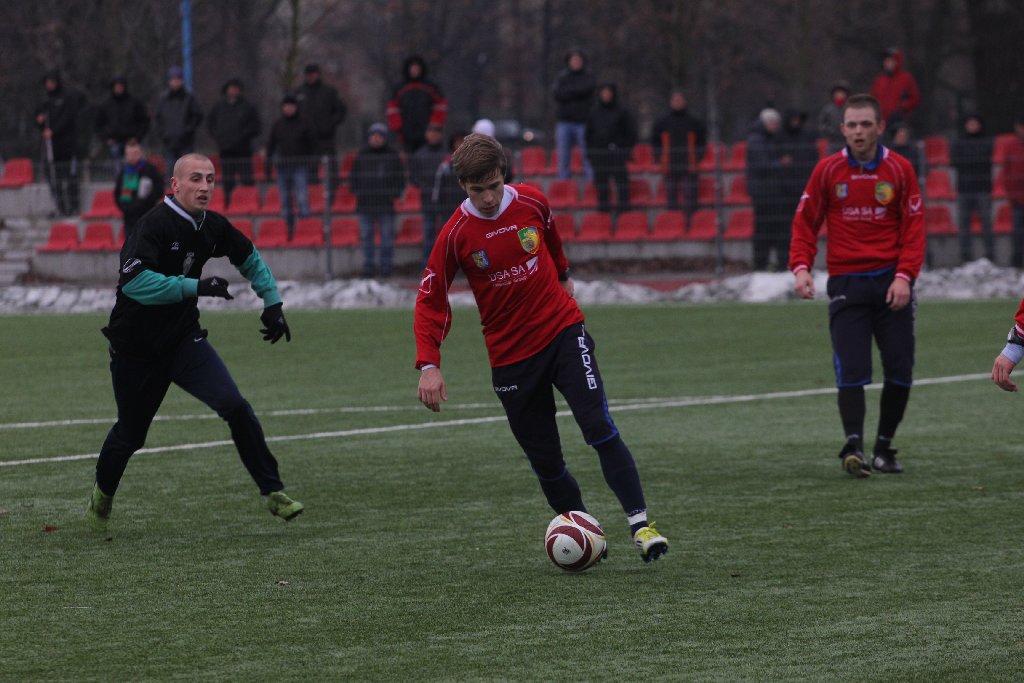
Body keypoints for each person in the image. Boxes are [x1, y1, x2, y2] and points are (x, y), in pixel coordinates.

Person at [413, 133, 669, 563]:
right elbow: (430, 300)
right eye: (479, 190)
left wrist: (564, 275)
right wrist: (428, 364)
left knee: (599, 427)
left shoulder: (532, 201)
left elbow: (551, 239)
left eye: (494, 185)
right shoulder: (455, 234)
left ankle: (642, 526)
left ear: (504, 175)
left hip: (563, 332)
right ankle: (588, 534)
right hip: (511, 360)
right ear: (463, 187)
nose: (490, 198)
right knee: (547, 462)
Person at [85, 153, 302, 532]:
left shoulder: (211, 225)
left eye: (211, 180)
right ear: (175, 185)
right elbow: (134, 284)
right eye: (196, 179)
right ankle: (102, 495)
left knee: (234, 405)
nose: (204, 187)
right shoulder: (152, 225)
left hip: (184, 340)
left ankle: (273, 491)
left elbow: (248, 256)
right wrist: (194, 286)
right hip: (135, 349)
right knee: (131, 434)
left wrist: (272, 302)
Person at [790, 93, 925, 477]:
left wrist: (904, 276)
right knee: (851, 368)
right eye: (852, 124)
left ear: (880, 127)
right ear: (842, 129)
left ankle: (884, 447)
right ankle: (854, 445)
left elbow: (915, 230)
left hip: (891, 284)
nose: (859, 131)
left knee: (900, 368)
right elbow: (805, 222)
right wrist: (801, 266)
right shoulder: (828, 171)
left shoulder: (899, 170)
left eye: (866, 124)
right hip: (848, 282)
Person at [349, 123, 405, 278]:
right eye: (373, 136)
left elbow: (400, 179)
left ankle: (386, 268)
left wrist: (393, 194)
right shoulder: (361, 155)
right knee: (367, 238)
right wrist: (359, 191)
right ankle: (368, 268)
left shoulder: (393, 156)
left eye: (379, 136)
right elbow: (353, 178)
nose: (376, 139)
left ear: (384, 138)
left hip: (386, 205)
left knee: (387, 238)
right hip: (365, 205)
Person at [746, 108, 793, 270]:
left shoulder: (767, 139)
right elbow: (762, 165)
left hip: (770, 192)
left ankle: (768, 263)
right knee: (764, 229)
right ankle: (761, 264)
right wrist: (781, 164)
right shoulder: (757, 140)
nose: (776, 126)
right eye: (773, 123)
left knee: (773, 228)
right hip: (764, 193)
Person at [650, 89, 707, 218]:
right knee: (671, 195)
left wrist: (697, 157)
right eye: (675, 100)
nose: (677, 103)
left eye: (679, 100)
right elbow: (655, 142)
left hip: (689, 165)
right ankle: (673, 221)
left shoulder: (694, 122)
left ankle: (690, 222)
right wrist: (660, 158)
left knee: (690, 195)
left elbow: (702, 142)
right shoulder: (662, 122)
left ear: (685, 102)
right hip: (669, 165)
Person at [296, 64, 347, 202]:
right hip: (307, 142)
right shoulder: (299, 93)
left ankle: (334, 200)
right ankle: (313, 200)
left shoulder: (329, 92)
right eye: (308, 74)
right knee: (310, 172)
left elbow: (341, 111)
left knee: (330, 171)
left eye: (313, 74)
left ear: (318, 74)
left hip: (326, 139)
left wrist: (329, 124)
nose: (311, 77)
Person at [206, 78, 261, 206]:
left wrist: (243, 136)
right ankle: (228, 204)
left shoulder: (248, 106)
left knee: (247, 180)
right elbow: (210, 124)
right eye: (231, 88)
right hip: (226, 151)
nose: (233, 91)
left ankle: (248, 203)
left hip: (244, 151)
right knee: (228, 181)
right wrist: (219, 137)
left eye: (236, 88)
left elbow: (256, 127)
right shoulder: (219, 107)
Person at [266, 94, 315, 237]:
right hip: (283, 167)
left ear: (296, 107)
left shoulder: (305, 123)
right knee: (285, 199)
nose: (288, 109)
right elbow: (271, 145)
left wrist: (311, 165)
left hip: (300, 167)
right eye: (286, 106)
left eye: (291, 106)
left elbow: (313, 145)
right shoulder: (278, 125)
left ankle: (306, 229)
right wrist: (268, 166)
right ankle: (287, 228)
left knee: (301, 198)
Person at [34, 69, 82, 216]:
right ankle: (60, 206)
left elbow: (68, 118)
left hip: (67, 146)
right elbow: (38, 117)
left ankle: (73, 206)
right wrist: (40, 122)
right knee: (54, 178)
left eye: (52, 82)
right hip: (51, 148)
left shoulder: (67, 98)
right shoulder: (45, 100)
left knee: (70, 177)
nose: (49, 85)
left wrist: (54, 130)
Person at [585, 82, 637, 216]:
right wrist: (591, 153)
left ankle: (624, 210)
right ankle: (603, 212)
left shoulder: (622, 112)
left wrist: (623, 149)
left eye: (608, 92)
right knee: (601, 185)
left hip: (617, 155)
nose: (606, 95)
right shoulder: (593, 112)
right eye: (604, 92)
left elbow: (631, 133)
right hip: (600, 155)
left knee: (622, 183)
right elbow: (588, 135)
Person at [951, 114, 995, 263]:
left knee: (987, 223)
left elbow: (985, 160)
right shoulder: (959, 142)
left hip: (983, 188)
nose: (972, 126)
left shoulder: (987, 142)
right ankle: (965, 257)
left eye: (975, 123)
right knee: (964, 225)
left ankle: (990, 255)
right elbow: (955, 161)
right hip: (964, 189)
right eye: (970, 124)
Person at [387, 55, 448, 154]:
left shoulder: (431, 87)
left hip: (428, 131)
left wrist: (434, 125)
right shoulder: (399, 88)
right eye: (412, 68)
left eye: (417, 68)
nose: (414, 71)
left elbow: (440, 107)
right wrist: (398, 128)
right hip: (406, 132)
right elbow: (392, 110)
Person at [552, 48, 595, 180]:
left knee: (587, 155)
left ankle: (590, 182)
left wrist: (568, 92)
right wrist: (576, 92)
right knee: (563, 156)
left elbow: (587, 89)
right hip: (564, 122)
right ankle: (563, 183)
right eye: (573, 60)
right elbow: (557, 93)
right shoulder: (562, 77)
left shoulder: (588, 77)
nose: (576, 62)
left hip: (583, 122)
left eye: (578, 59)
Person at [408, 122, 448, 265]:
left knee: (447, 234)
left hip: (445, 200)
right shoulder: (420, 155)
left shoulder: (447, 154)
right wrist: (424, 186)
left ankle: (447, 263)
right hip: (427, 200)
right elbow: (413, 176)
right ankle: (428, 263)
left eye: (436, 133)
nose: (433, 136)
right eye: (431, 133)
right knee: (428, 233)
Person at [94, 75, 150, 176]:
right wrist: (106, 138)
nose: (118, 88)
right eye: (116, 86)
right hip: (114, 142)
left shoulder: (134, 102)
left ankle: (133, 186)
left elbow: (144, 121)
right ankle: (120, 185)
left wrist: (137, 137)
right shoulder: (106, 104)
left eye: (120, 86)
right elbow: (98, 124)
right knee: (118, 168)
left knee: (134, 166)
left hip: (131, 141)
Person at [155, 66, 204, 178]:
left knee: (187, 173)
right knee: (171, 175)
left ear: (182, 81)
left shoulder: (189, 98)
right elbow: (158, 119)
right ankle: (171, 196)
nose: (175, 82)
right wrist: (164, 134)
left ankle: (187, 196)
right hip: (169, 142)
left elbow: (197, 116)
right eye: (172, 79)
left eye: (177, 79)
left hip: (185, 142)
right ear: (169, 81)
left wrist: (187, 131)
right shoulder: (163, 99)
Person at [113, 140, 164, 237]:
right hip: (129, 217)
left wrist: (145, 201)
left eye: (135, 153)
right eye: (129, 154)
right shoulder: (124, 172)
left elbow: (159, 190)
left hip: (147, 214)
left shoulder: (150, 170)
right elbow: (117, 194)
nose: (132, 157)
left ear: (141, 153)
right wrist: (125, 208)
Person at [870, 47, 921, 127]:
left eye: (891, 61)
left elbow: (915, 98)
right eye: (886, 61)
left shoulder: (906, 79)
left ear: (897, 62)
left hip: (899, 123)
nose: (887, 63)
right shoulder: (879, 80)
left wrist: (902, 107)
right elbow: (872, 99)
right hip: (881, 122)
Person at [1006, 114, 1024, 268]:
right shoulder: (1011, 146)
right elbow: (1007, 172)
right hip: (1018, 199)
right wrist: (1011, 194)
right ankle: (1017, 263)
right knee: (1017, 234)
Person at [817, 81, 850, 154]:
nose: (840, 95)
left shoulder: (849, 108)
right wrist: (830, 131)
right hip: (833, 143)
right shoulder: (828, 109)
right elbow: (821, 124)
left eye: (842, 93)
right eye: (838, 93)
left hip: (847, 142)